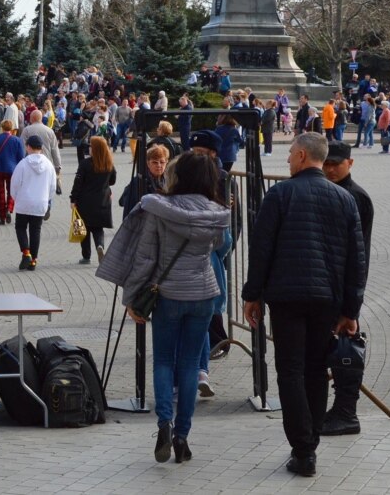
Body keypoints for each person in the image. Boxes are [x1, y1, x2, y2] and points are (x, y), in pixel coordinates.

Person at [242, 133, 366, 477]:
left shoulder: (280, 194)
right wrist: (350, 310)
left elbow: (261, 249)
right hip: (327, 299)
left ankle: (303, 448)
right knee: (315, 371)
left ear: (300, 155)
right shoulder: (344, 199)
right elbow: (358, 261)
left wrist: (252, 295)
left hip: (287, 297)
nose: (286, 160)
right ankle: (310, 443)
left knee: (291, 371)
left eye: (288, 154)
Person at [97, 153, 229, 464]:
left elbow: (145, 259)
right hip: (204, 293)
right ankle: (183, 434)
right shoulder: (218, 212)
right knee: (189, 365)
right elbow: (220, 248)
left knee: (164, 362)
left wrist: (131, 296)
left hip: (168, 294)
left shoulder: (159, 208)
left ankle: (164, 425)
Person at [319, 141, 374, 436]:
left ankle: (345, 411)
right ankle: (334, 409)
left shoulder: (356, 198)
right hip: (326, 286)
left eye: (336, 164)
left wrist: (351, 305)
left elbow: (359, 255)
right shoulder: (331, 192)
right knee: (333, 349)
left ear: (350, 164)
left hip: (343, 289)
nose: (330, 169)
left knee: (346, 350)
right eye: (326, 163)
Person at [10, 135, 55, 271]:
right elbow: (52, 186)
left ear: (28, 147)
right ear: (41, 148)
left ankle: (26, 252)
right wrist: (47, 200)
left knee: (20, 228)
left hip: (24, 201)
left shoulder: (23, 164)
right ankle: (34, 260)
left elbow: (15, 183)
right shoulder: (48, 164)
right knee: (36, 230)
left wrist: (16, 197)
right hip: (40, 202)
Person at [70, 136, 117, 264]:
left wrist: (73, 199)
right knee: (98, 228)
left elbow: (78, 183)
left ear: (95, 149)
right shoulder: (109, 164)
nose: (89, 148)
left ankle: (86, 256)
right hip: (103, 200)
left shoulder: (85, 164)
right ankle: (100, 246)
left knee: (83, 230)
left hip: (85, 200)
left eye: (90, 146)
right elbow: (112, 181)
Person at [119, 143, 168, 220]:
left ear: (166, 162)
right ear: (148, 163)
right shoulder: (140, 180)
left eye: (162, 162)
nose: (159, 165)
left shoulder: (169, 179)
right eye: (155, 162)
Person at [0, 120, 24, 225]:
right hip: (12, 170)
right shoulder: (16, 140)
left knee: (0, 193)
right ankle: (9, 208)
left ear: (2, 127)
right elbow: (21, 157)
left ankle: (2, 217)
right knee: (11, 191)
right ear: (12, 128)